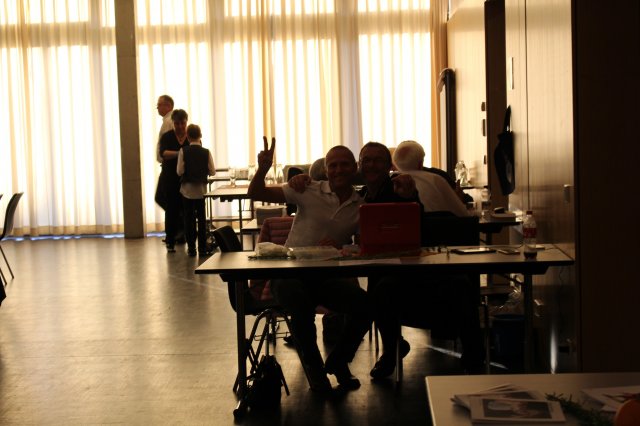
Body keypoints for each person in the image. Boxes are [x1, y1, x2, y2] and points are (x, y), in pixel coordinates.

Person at [248, 137, 371, 394]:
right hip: (288, 273)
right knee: (299, 303)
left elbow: (363, 247)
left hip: (325, 278)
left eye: (344, 164)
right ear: (325, 169)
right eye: (333, 165)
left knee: (365, 305)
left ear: (354, 168)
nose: (338, 170)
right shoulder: (308, 189)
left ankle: (339, 361)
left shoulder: (360, 205)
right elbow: (256, 193)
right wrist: (263, 169)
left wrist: (342, 247)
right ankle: (315, 372)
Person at [392, 140, 470, 216]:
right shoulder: (435, 179)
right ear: (420, 163)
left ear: (395, 164)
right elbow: (462, 213)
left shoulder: (390, 182)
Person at [177, 124, 215, 257]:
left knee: (189, 220)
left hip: (187, 191)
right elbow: (212, 171)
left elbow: (179, 171)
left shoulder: (183, 151)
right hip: (201, 191)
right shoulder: (206, 152)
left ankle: (191, 248)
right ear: (200, 136)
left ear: (187, 136)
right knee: (202, 219)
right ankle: (202, 248)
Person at [159, 109, 190, 253]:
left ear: (186, 122)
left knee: (188, 211)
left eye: (182, 123)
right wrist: (181, 153)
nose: (180, 126)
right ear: (173, 123)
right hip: (170, 179)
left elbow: (196, 150)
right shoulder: (167, 136)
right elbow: (163, 153)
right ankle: (170, 241)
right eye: (177, 123)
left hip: (187, 179)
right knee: (171, 210)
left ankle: (189, 240)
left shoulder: (191, 135)